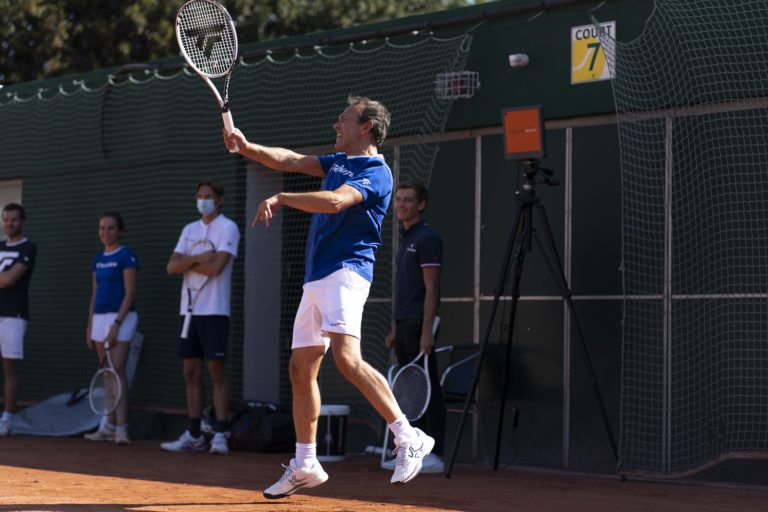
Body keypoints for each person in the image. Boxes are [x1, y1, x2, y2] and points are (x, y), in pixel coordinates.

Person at [224, 96, 435, 499]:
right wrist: (247, 147)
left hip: (345, 272)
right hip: (317, 277)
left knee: (346, 359)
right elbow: (290, 160)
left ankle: (408, 436)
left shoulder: (377, 172)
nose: (336, 125)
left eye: (344, 119)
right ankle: (306, 463)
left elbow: (337, 201)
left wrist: (283, 198)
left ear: (366, 127)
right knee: (300, 368)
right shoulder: (338, 162)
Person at [161, 180, 240, 456]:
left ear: (220, 200)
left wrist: (188, 261)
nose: (203, 200)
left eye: (208, 196)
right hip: (189, 312)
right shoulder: (189, 230)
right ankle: (194, 435)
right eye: (200, 196)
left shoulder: (228, 227)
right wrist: (199, 258)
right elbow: (171, 266)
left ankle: (220, 433)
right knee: (190, 372)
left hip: (216, 310)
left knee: (216, 371)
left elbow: (217, 267)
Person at [383, 182, 446, 473]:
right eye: (398, 200)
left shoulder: (427, 238)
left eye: (408, 200)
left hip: (420, 326)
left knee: (429, 389)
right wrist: (396, 329)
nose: (401, 205)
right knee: (410, 392)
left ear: (421, 204)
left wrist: (426, 332)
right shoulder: (407, 237)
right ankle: (412, 452)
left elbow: (431, 289)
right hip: (404, 324)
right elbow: (405, 290)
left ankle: (436, 453)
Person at [83, 212, 139, 445]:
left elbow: (130, 293)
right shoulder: (97, 259)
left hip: (122, 318)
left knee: (117, 371)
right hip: (99, 318)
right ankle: (108, 425)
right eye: (102, 228)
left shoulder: (126, 256)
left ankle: (122, 428)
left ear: (119, 230)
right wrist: (90, 326)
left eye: (110, 228)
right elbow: (95, 294)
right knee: (107, 372)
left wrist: (116, 324)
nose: (105, 232)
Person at [0, 203, 36, 437]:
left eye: (14, 219)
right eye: (6, 219)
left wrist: (4, 278)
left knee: (10, 368)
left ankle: (7, 419)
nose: (9, 224)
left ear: (22, 221)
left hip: (14, 315)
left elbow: (9, 279)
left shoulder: (29, 247)